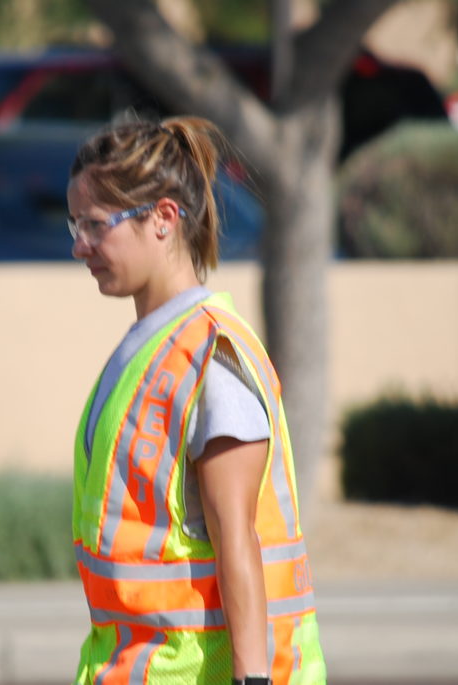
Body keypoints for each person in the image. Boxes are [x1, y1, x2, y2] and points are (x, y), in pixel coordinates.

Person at [67, 116, 325, 685]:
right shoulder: (145, 351)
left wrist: (251, 680)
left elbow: (239, 538)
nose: (80, 245)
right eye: (75, 224)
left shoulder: (212, 357)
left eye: (95, 225)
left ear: (163, 218)